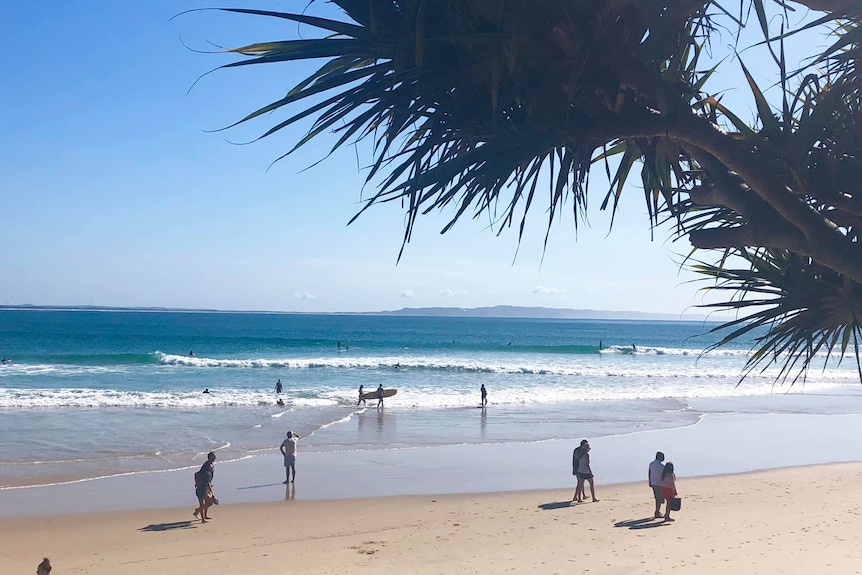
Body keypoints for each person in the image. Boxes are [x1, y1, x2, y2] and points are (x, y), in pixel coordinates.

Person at [193, 451, 217, 523]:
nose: (215, 457)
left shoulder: (211, 464)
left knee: (206, 501)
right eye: (213, 456)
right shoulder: (207, 465)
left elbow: (209, 477)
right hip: (203, 486)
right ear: (210, 457)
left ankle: (205, 516)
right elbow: (203, 476)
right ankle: (199, 514)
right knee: (206, 502)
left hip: (205, 484)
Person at [649, 451, 666, 518]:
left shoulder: (651, 464)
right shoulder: (662, 466)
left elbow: (649, 473)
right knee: (659, 498)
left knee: (657, 498)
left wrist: (650, 481)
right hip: (659, 483)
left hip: (653, 482)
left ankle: (657, 511)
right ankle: (657, 512)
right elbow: (664, 475)